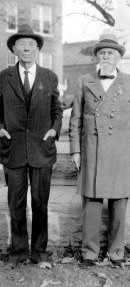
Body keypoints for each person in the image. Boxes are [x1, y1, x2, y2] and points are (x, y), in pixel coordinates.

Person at [69, 33, 130, 269]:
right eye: (102, 52)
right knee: (91, 205)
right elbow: (76, 118)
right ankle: (89, 253)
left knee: (118, 205)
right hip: (92, 150)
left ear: (118, 58)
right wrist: (75, 151)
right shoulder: (84, 81)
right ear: (97, 56)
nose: (105, 56)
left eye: (110, 53)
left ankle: (116, 252)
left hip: (122, 152)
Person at [0, 24, 62, 265]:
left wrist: (53, 130)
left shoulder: (49, 76)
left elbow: (57, 109)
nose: (26, 48)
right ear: (14, 48)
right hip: (12, 148)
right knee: (15, 204)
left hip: (41, 149)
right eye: (21, 44)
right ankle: (18, 253)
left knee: (40, 204)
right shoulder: (4, 77)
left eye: (31, 44)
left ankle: (39, 252)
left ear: (38, 49)